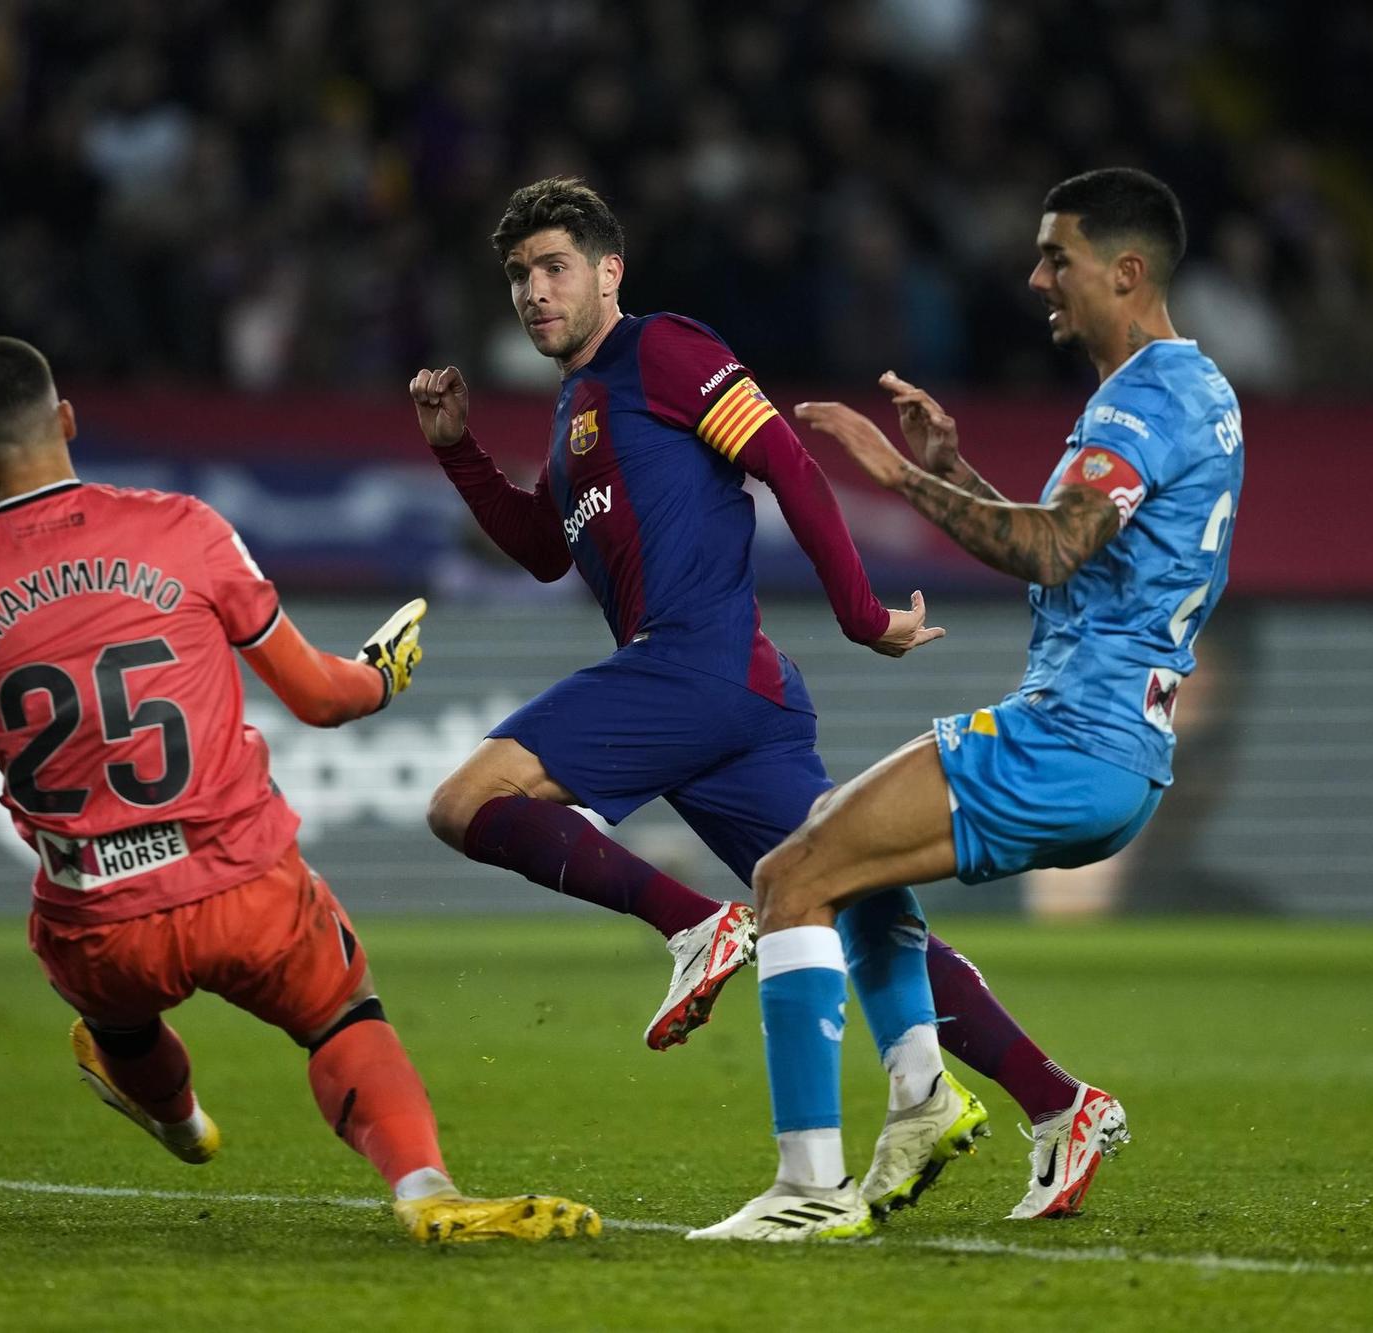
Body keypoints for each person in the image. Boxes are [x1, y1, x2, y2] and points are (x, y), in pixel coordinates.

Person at [0, 335, 599, 1246]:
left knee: (118, 1019)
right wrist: (378, 675)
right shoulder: (184, 529)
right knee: (342, 1011)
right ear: (66, 419)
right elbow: (320, 697)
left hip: (97, 924)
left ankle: (176, 1118)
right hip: (245, 886)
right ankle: (425, 1187)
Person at [412, 177, 1111, 1230]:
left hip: (691, 667)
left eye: (554, 267)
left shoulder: (663, 349)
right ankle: (1055, 1102)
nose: (533, 291)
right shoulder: (577, 407)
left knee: (464, 802)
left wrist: (860, 613)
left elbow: (784, 459)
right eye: (518, 274)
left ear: (608, 271)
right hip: (737, 698)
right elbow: (548, 551)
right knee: (849, 895)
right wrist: (459, 452)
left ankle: (694, 926)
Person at [696, 167, 1243, 1239]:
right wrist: (961, 472)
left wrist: (899, 479)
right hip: (1113, 747)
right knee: (845, 868)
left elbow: (1052, 545)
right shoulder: (1196, 393)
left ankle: (809, 1188)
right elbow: (1081, 560)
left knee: (788, 878)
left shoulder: (1145, 396)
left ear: (1125, 271)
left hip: (1071, 736)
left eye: (1057, 257)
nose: (1036, 278)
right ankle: (1015, 1103)